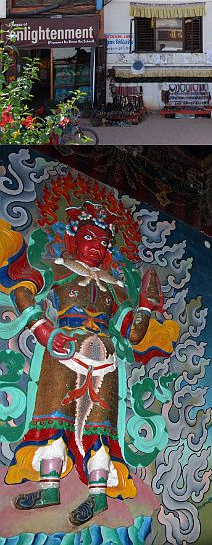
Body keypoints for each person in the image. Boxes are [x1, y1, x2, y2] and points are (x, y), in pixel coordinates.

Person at [0, 192, 169, 526]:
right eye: (89, 237)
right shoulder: (57, 271)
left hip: (105, 358)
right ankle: (48, 488)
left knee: (100, 428)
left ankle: (98, 496)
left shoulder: (117, 289)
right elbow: (21, 290)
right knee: (53, 420)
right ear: (71, 240)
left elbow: (132, 335)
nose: (98, 246)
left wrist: (146, 307)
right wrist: (45, 330)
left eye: (105, 242)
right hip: (63, 349)